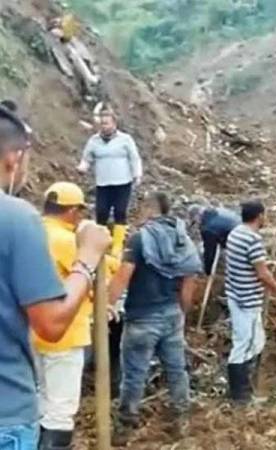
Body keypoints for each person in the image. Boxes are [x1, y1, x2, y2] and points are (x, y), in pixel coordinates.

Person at [0, 106, 110, 447]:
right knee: (60, 406)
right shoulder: (16, 220)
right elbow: (50, 321)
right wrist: (88, 260)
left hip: (35, 354)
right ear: (13, 158)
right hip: (7, 410)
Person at [108, 192, 201, 444]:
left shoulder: (139, 240)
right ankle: (181, 421)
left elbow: (122, 277)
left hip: (141, 318)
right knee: (176, 370)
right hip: (172, 314)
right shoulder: (182, 239)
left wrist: (105, 304)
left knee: (134, 374)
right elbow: (189, 281)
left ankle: (124, 428)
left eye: (140, 211)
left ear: (149, 210)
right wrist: (182, 313)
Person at [33, 182, 103, 450]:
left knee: (41, 398)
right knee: (60, 410)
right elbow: (97, 272)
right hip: (65, 332)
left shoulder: (31, 231)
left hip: (32, 330)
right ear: (73, 211)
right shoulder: (66, 241)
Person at [225, 200, 276, 405]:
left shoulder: (236, 233)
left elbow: (247, 264)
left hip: (235, 295)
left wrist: (264, 265)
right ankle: (241, 398)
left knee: (255, 341)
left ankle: (246, 392)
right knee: (245, 345)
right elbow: (262, 275)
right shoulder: (252, 239)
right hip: (247, 301)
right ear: (259, 216)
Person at [77, 105, 143, 257]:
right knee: (101, 213)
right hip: (103, 183)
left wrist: (137, 174)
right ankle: (101, 243)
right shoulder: (94, 141)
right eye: (102, 123)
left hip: (122, 182)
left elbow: (134, 158)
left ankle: (117, 246)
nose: (103, 126)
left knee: (120, 212)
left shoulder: (125, 140)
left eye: (106, 123)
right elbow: (87, 158)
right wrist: (82, 167)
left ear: (114, 124)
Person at [188, 203, 241, 276]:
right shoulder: (216, 211)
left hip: (238, 242)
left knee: (202, 250)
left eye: (195, 222)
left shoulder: (208, 228)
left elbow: (209, 252)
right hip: (243, 229)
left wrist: (208, 271)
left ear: (197, 217)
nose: (197, 225)